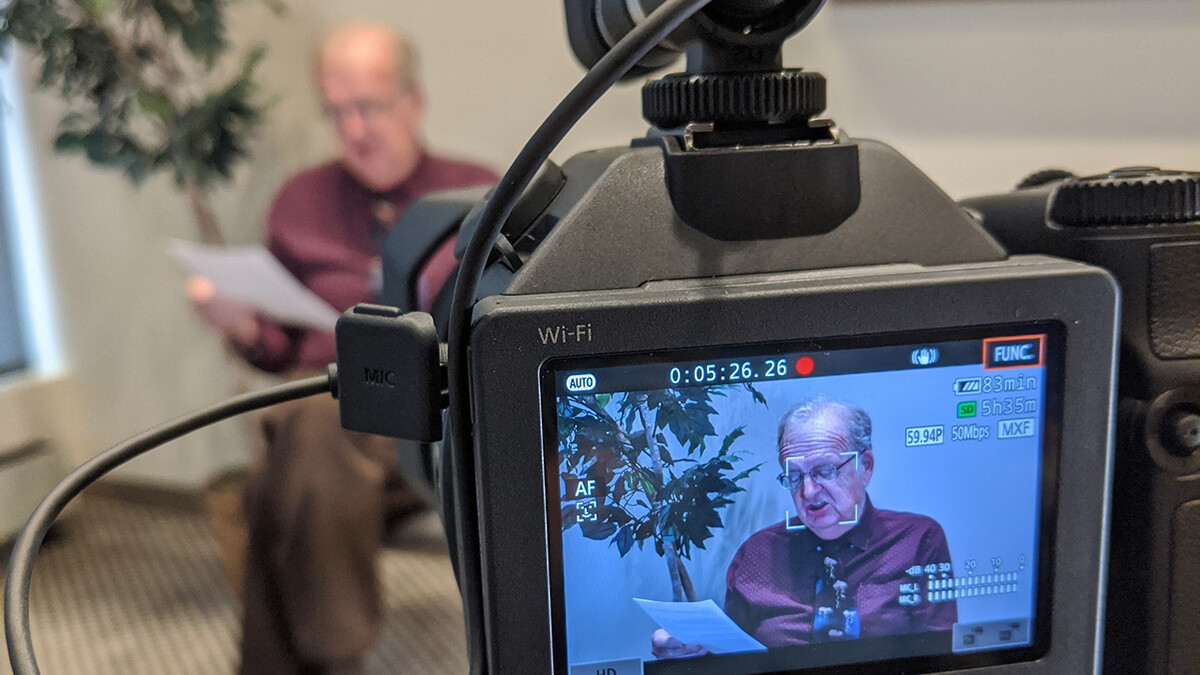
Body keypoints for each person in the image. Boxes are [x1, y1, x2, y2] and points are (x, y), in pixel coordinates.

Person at [188, 22, 498, 675]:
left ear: (413, 101)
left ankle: (324, 658)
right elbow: (279, 344)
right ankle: (337, 647)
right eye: (338, 110)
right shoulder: (299, 201)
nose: (355, 128)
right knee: (317, 423)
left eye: (371, 106)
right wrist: (243, 326)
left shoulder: (475, 193)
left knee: (269, 487)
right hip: (322, 409)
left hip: (439, 421)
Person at [652, 398, 956, 658]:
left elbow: (942, 659)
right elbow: (730, 661)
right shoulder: (756, 554)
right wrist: (688, 654)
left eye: (824, 470)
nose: (808, 491)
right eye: (794, 476)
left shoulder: (918, 541)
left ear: (865, 467)